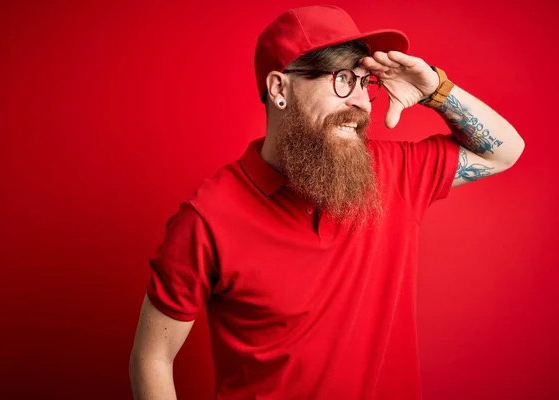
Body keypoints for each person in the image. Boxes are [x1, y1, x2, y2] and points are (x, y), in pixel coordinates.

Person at [129, 5, 525, 399]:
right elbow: (152, 358)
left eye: (364, 82)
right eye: (341, 79)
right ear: (279, 89)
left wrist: (436, 91)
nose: (363, 103)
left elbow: (504, 151)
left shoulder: (392, 173)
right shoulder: (208, 218)